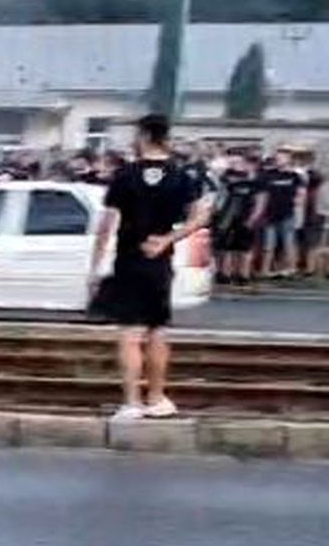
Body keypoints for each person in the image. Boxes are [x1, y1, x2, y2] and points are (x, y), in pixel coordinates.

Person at [90, 114, 210, 422]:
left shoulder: (125, 175)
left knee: (130, 333)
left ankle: (131, 402)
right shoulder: (182, 175)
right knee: (157, 330)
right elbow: (200, 217)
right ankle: (157, 398)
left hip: (129, 258)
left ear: (143, 135)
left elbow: (107, 223)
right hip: (160, 261)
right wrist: (167, 238)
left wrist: (95, 265)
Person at [213, 151, 266, 286]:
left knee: (244, 249)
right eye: (234, 162)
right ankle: (225, 274)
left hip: (246, 217)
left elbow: (261, 202)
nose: (237, 165)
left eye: (240, 162)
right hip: (228, 217)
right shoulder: (228, 177)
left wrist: (252, 219)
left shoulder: (257, 181)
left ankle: (243, 275)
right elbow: (219, 196)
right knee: (226, 248)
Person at [259, 147, 305, 279]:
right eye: (277, 157)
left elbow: (301, 194)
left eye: (282, 157)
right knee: (269, 244)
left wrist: (298, 205)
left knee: (289, 243)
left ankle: (291, 269)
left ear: (289, 159)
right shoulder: (268, 174)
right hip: (270, 214)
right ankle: (265, 270)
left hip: (287, 214)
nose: (279, 160)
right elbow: (262, 193)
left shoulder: (294, 176)